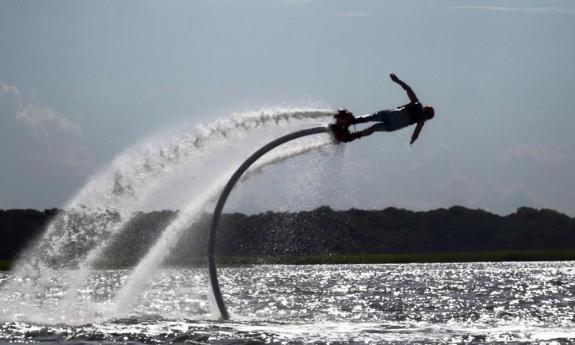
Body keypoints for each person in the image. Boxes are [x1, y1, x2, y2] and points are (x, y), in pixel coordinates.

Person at [329, 73, 435, 144]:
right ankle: (351, 134)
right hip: (393, 123)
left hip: (391, 115)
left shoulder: (417, 105)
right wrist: (412, 141)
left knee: (371, 119)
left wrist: (397, 80)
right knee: (373, 127)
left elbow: (408, 89)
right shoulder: (421, 119)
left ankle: (348, 123)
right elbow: (416, 134)